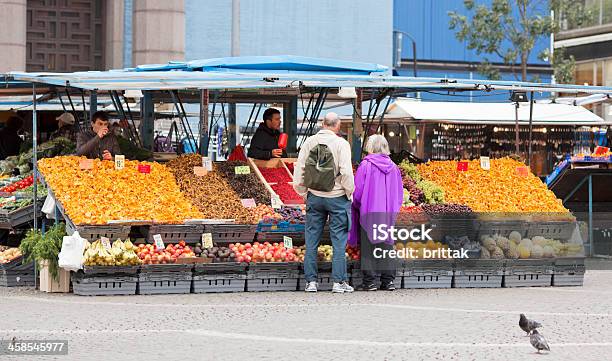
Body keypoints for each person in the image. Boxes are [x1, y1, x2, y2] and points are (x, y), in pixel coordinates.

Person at [293, 112, 354, 293]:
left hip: (315, 197)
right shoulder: (341, 144)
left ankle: (311, 282)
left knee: (312, 240)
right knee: (338, 241)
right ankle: (338, 282)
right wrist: (348, 193)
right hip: (337, 198)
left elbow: (300, 169)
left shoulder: (309, 142)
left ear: (322, 123)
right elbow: (346, 173)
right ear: (337, 125)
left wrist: (304, 192)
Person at [348, 135, 403, 291]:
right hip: (387, 212)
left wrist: (357, 205)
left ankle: (370, 282)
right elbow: (399, 193)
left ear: (370, 147)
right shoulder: (394, 167)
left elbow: (357, 190)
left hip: (369, 211)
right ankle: (388, 281)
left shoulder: (366, 165)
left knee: (369, 246)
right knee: (386, 245)